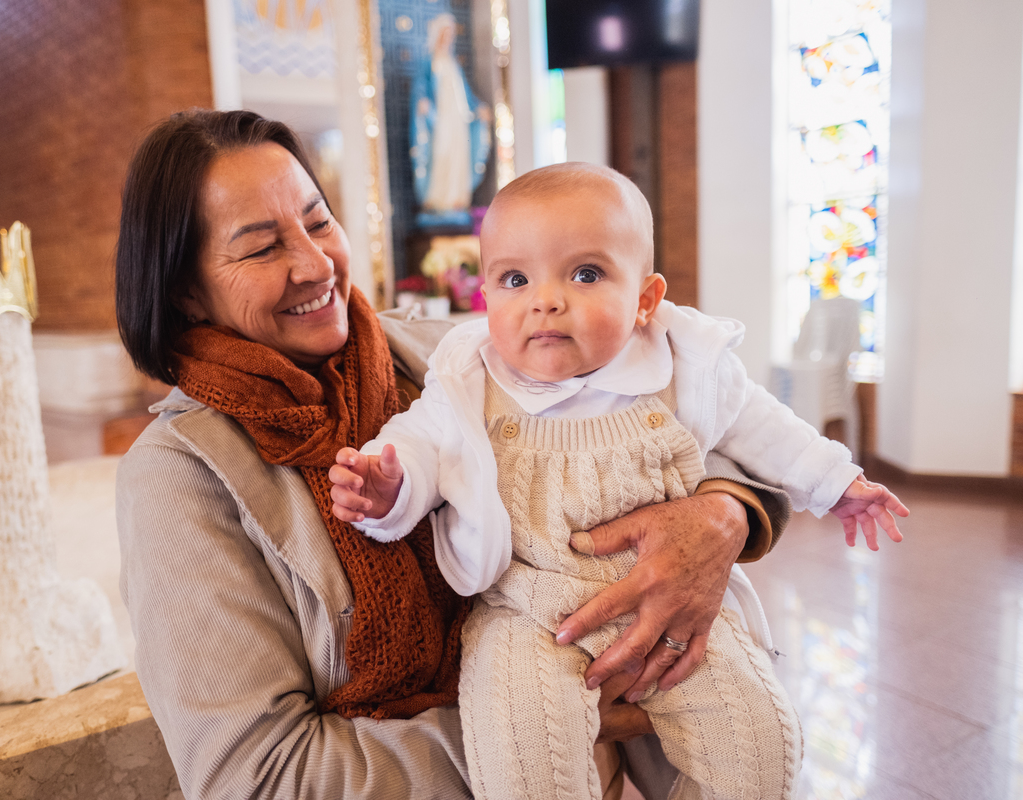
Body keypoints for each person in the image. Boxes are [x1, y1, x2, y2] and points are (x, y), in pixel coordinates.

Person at [114, 109, 796, 800]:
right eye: (261, 248)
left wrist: (721, 515)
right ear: (186, 292)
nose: (316, 263)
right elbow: (256, 778)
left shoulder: (453, 353)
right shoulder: (179, 477)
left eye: (319, 222)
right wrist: (546, 728)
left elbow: (673, 401)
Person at [330, 163, 908, 800]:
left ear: (645, 299)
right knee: (525, 758)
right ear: (487, 296)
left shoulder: (680, 360)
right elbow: (418, 445)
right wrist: (386, 487)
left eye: (585, 274)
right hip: (527, 613)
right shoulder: (469, 380)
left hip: (676, 610)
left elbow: (762, 427)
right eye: (515, 278)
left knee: (762, 743)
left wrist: (836, 481)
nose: (546, 299)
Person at [410, 13, 491, 226]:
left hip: (458, 122)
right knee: (440, 155)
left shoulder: (454, 64)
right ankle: (436, 200)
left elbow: (465, 96)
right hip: (439, 122)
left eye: (451, 35)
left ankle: (455, 200)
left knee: (458, 157)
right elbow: (420, 87)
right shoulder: (429, 62)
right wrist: (422, 101)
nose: (448, 38)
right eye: (444, 34)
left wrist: (479, 108)